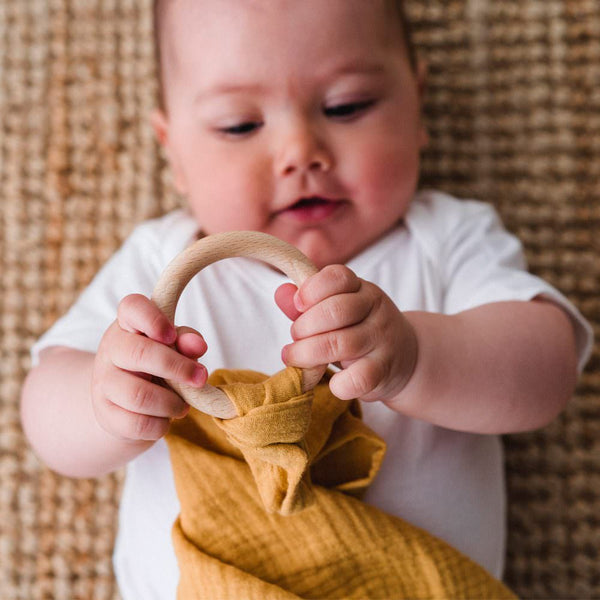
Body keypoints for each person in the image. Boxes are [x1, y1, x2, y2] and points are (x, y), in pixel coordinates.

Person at [21, 0, 592, 597]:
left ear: (416, 103)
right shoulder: (157, 264)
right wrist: (106, 400)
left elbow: (546, 369)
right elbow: (43, 408)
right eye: (240, 126)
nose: (300, 151)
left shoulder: (446, 239)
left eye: (347, 106)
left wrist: (418, 357)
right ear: (174, 151)